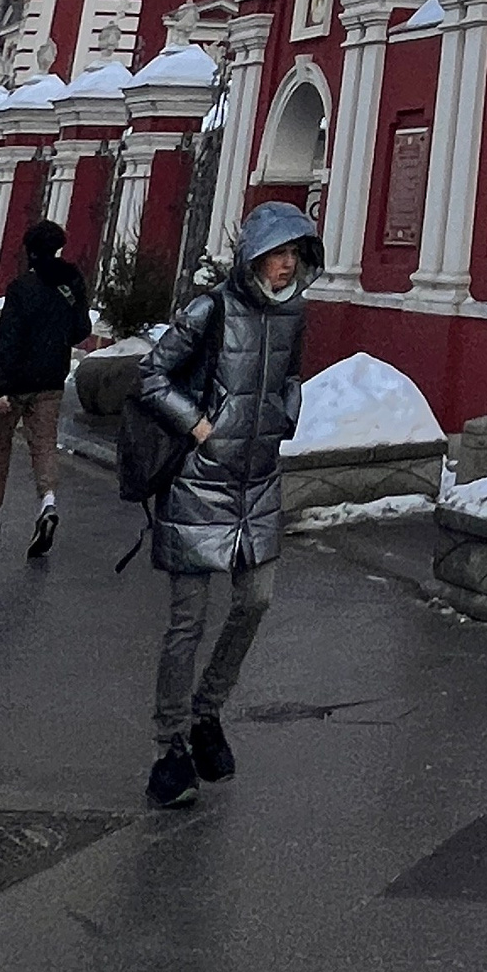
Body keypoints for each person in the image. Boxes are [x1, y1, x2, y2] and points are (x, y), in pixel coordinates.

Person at [137, 201, 321, 811]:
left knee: (257, 600)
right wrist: (199, 428)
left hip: (258, 483)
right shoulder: (210, 308)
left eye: (294, 252)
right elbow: (152, 376)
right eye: (277, 252)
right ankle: (169, 747)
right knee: (186, 621)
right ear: (253, 257)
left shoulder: (293, 312)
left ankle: (206, 710)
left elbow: (290, 375)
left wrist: (279, 417)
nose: (287, 262)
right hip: (199, 484)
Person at [0, 218, 91, 556]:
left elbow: (9, 339)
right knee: (45, 446)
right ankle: (47, 504)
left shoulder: (22, 287)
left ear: (30, 251)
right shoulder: (71, 283)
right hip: (52, 380)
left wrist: (2, 388)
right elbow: (82, 329)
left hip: (17, 382)